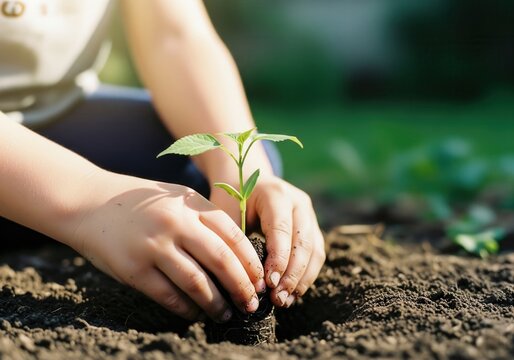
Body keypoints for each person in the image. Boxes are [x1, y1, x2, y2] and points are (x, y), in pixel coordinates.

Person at [0, 0, 325, 323]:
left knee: (220, 182)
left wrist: (239, 167)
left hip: (60, 113)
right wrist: (92, 201)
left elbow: (173, 35)